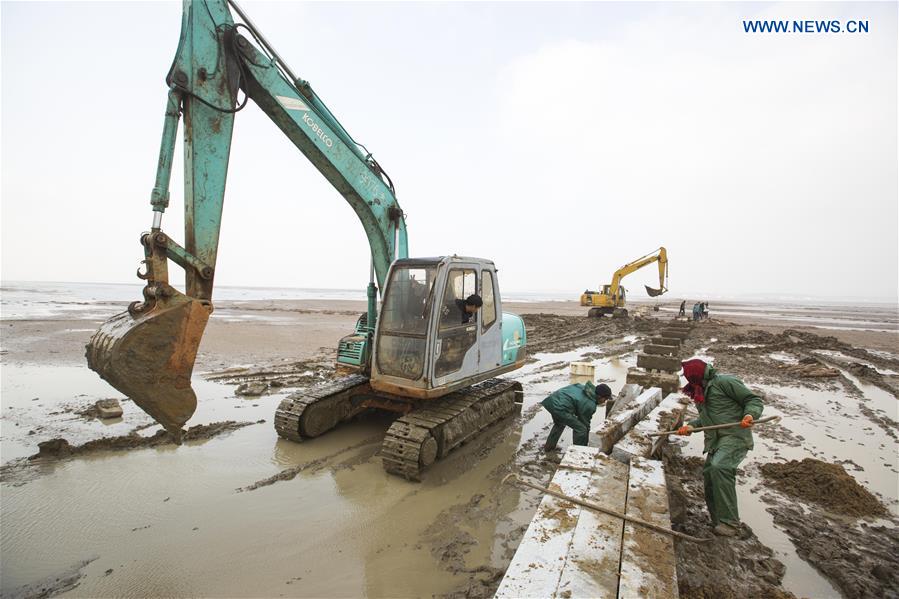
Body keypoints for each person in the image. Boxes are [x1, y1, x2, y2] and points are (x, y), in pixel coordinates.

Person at [677, 358, 763, 537]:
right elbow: (707, 419)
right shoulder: (699, 390)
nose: (687, 381)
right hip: (716, 441)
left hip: (735, 435)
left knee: (720, 467)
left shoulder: (725, 382)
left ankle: (730, 523)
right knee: (709, 476)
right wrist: (692, 426)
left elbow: (753, 400)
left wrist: (749, 414)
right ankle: (718, 522)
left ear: (696, 374)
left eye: (688, 376)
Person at [542, 382, 612, 450]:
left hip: (551, 401)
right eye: (605, 399)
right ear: (599, 396)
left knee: (560, 423)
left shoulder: (583, 387)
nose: (604, 402)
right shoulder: (590, 405)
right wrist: (586, 439)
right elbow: (585, 422)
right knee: (581, 429)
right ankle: (579, 451)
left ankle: (549, 447)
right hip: (560, 409)